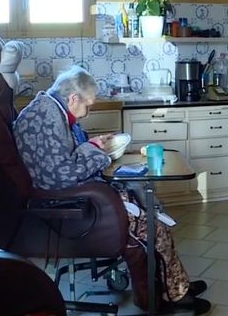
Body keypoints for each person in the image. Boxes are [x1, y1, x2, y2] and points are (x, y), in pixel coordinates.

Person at [13, 65, 210, 314]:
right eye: (88, 106)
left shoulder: (48, 109)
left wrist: (92, 146)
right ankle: (172, 294)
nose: (87, 112)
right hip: (66, 207)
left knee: (150, 212)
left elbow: (63, 162)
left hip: (70, 198)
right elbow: (60, 176)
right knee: (150, 223)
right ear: (73, 98)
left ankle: (175, 286)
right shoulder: (47, 117)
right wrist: (97, 151)